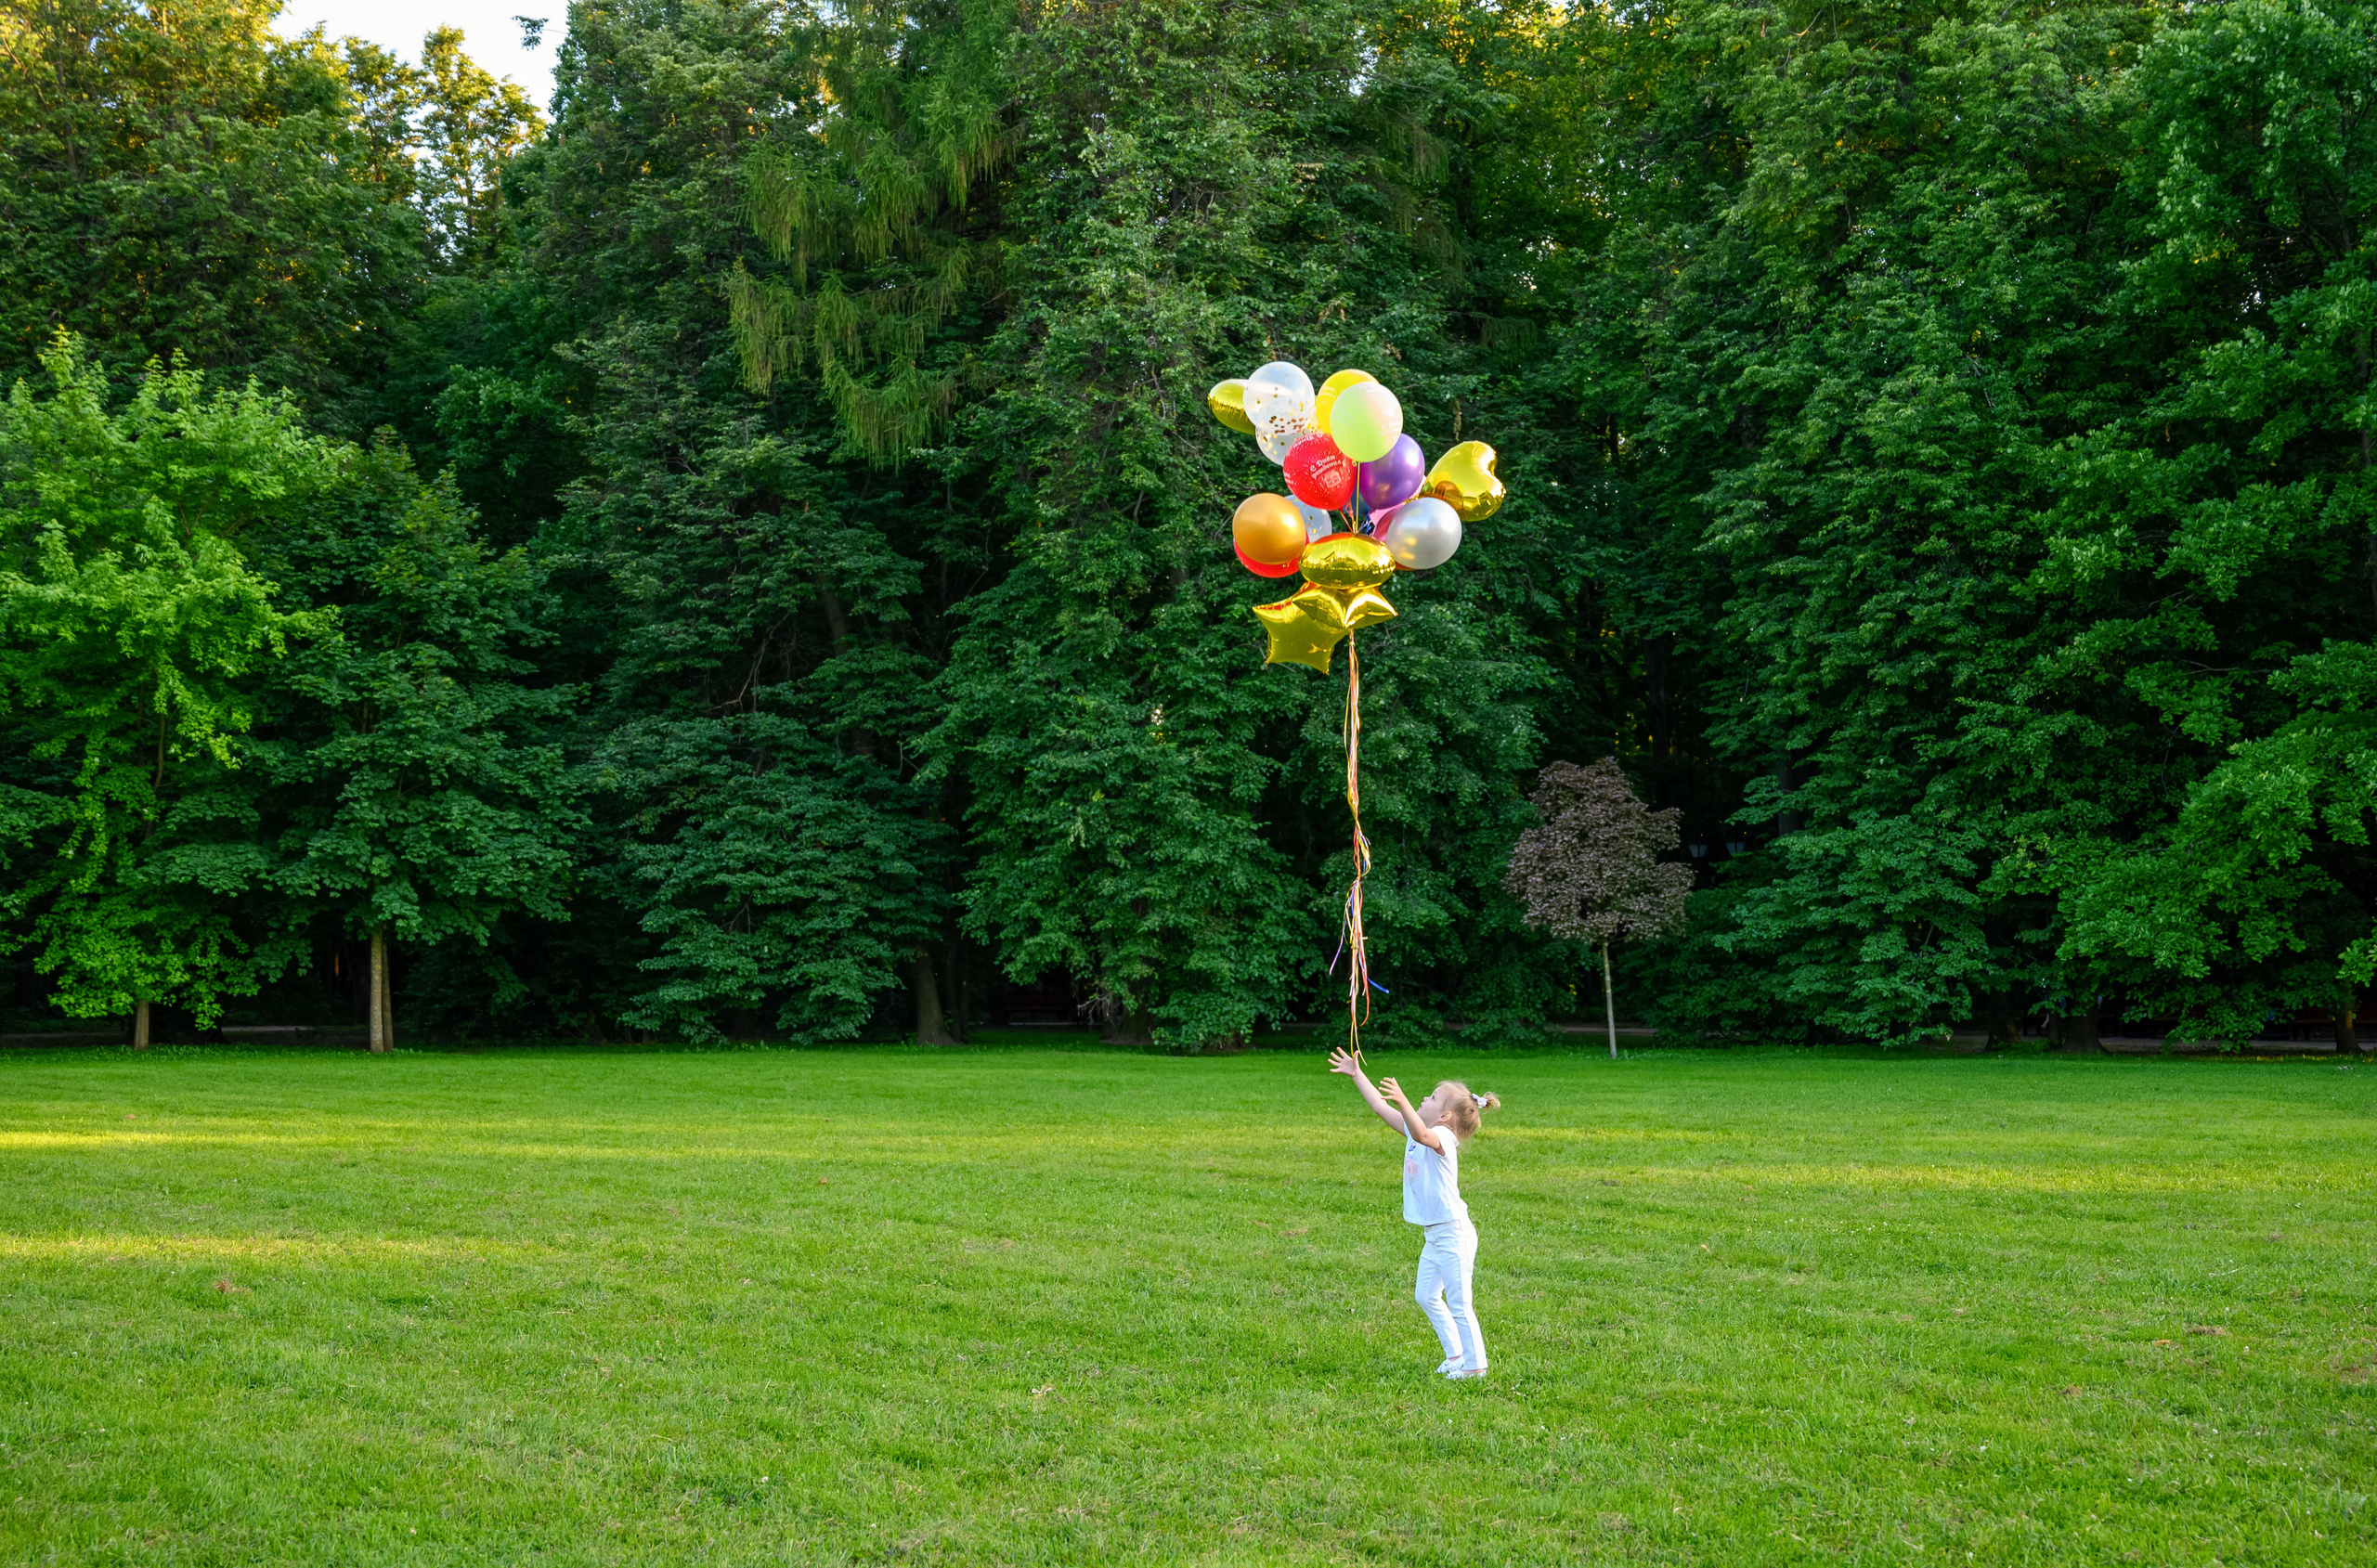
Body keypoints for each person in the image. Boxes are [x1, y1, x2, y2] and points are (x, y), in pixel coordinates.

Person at [1328, 1046, 1500, 1379]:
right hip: (1435, 1235)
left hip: (1454, 1234)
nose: (1424, 1098)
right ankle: (1456, 1355)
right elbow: (1381, 1109)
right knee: (1426, 1296)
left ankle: (1476, 1366)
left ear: (1445, 1117)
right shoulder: (1420, 1130)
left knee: (1460, 1303)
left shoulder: (1442, 1137)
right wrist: (1356, 1074)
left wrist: (1402, 1099)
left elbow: (1422, 1133)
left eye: (1432, 1097)